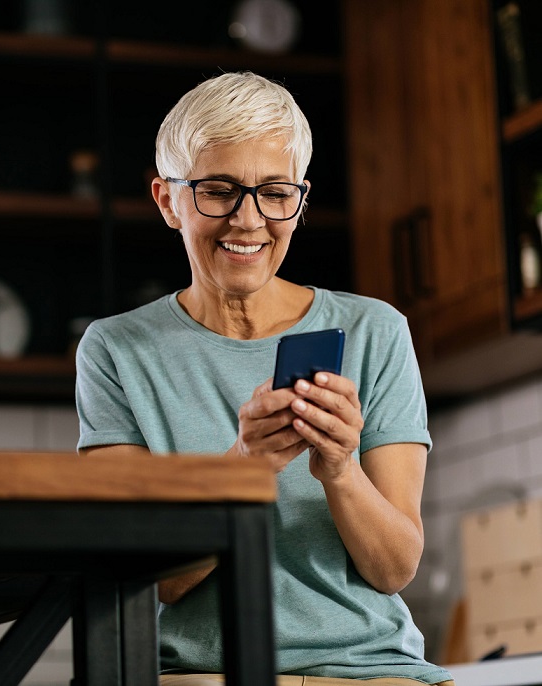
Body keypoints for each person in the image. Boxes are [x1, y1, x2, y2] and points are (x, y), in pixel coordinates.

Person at [74, 71, 454, 686]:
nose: (249, 221)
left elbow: (393, 568)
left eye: (274, 193)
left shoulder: (375, 331)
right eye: (218, 190)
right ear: (168, 201)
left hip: (371, 674)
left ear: (298, 202)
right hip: (202, 677)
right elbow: (155, 579)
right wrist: (245, 467)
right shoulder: (116, 350)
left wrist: (340, 469)